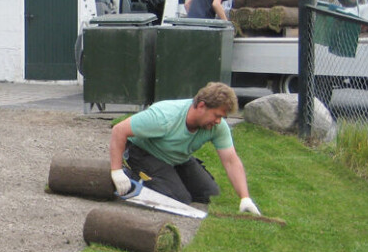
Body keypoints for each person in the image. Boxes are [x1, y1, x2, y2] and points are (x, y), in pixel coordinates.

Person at [109, 81, 260, 215]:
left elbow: (231, 161)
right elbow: (119, 130)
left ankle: (169, 176)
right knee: (178, 199)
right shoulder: (165, 116)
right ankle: (131, 175)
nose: (218, 121)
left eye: (222, 117)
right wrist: (116, 171)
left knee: (209, 194)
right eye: (216, 115)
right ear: (201, 106)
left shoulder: (217, 127)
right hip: (144, 153)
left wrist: (245, 198)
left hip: (177, 158)